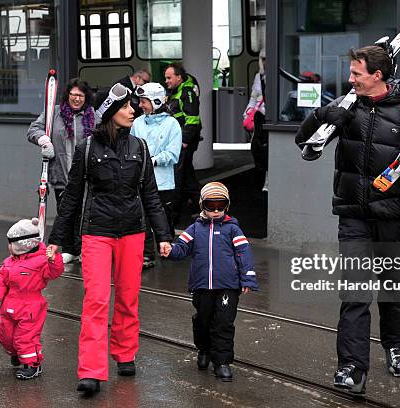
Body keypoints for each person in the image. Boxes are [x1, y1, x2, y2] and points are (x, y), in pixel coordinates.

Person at [295, 45, 400, 397]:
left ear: (377, 76)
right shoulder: (347, 108)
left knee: (391, 285)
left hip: (393, 212)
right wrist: (321, 116)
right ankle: (352, 368)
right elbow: (306, 145)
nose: (350, 79)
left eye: (356, 73)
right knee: (355, 292)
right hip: (353, 213)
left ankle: (395, 346)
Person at [47, 83, 173, 395]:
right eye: (126, 106)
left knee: (129, 297)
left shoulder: (140, 148)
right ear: (108, 112)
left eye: (133, 105)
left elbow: (151, 197)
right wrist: (56, 239)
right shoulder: (86, 148)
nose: (134, 110)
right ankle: (91, 370)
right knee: (96, 301)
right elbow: (72, 197)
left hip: (132, 232)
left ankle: (125, 352)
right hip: (97, 233)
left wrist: (164, 236)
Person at [163, 182, 258, 382]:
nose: (215, 210)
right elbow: (181, 247)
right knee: (203, 321)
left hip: (228, 286)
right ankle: (204, 350)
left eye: (220, 205)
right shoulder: (195, 229)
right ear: (201, 205)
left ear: (227, 206)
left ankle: (222, 362)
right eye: (210, 205)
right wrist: (171, 250)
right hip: (202, 286)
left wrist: (247, 277)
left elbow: (244, 253)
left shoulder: (233, 229)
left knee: (223, 323)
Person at [27, 78, 95, 264]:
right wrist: (43, 140)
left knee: (85, 215)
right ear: (67, 95)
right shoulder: (54, 113)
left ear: (85, 97)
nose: (76, 99)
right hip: (61, 174)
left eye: (80, 95)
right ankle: (71, 249)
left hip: (87, 176)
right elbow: (33, 129)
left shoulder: (92, 116)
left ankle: (84, 250)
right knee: (66, 213)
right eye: (73, 94)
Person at [0, 218, 63, 380]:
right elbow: (0, 279)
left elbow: (54, 272)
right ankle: (17, 353)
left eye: (11, 243)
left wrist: (53, 259)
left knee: (26, 338)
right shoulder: (9, 262)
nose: (8, 247)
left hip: (30, 307)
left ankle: (33, 365)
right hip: (9, 305)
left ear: (22, 245)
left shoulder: (42, 260)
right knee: (5, 335)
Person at [130, 82, 182, 269]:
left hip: (163, 182)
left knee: (163, 218)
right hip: (140, 181)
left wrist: (151, 160)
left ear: (157, 101)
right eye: (141, 101)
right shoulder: (137, 122)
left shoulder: (172, 124)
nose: (140, 105)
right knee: (142, 218)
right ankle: (146, 254)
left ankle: (167, 247)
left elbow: (173, 154)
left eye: (144, 101)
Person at [164, 62, 202, 225]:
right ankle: (204, 207)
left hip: (184, 142)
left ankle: (174, 215)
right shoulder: (176, 90)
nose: (166, 81)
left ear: (179, 77)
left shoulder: (187, 92)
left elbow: (193, 119)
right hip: (180, 140)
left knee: (180, 178)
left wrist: (184, 141)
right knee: (187, 177)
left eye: (169, 78)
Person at [243, 49, 268, 192]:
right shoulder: (258, 76)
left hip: (269, 118)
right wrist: (246, 114)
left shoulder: (278, 75)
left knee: (267, 151)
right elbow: (254, 98)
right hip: (259, 118)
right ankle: (262, 181)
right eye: (262, 59)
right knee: (257, 149)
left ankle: (267, 181)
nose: (264, 62)